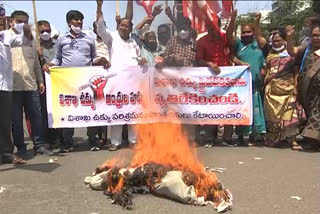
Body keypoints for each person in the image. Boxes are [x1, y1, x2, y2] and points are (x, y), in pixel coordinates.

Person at [43, 10, 109, 152]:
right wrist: (50, 64)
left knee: (90, 109)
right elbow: (57, 58)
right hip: (67, 81)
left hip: (86, 81)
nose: (79, 22)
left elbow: (93, 58)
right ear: (69, 22)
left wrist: (101, 60)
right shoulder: (62, 39)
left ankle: (92, 140)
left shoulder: (89, 39)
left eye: (80, 20)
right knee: (68, 110)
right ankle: (68, 142)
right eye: (75, 20)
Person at [96, 0, 147, 151]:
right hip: (116, 83)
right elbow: (100, 27)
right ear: (118, 26)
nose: (123, 27)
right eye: (121, 25)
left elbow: (137, 58)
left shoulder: (134, 42)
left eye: (127, 26)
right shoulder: (111, 37)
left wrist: (142, 60)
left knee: (133, 112)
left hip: (133, 83)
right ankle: (115, 142)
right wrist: (99, 6)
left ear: (131, 28)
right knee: (116, 111)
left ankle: (133, 140)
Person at [9, 10, 53, 156]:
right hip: (13, 86)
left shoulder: (31, 40)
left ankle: (39, 145)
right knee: (16, 119)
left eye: (25, 22)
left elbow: (35, 64)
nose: (23, 25)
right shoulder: (5, 38)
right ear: (11, 22)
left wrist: (40, 81)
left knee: (36, 116)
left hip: (31, 84)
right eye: (19, 21)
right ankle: (20, 148)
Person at [195, 11, 237, 147]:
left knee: (229, 106)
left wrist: (233, 19)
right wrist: (209, 64)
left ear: (219, 25)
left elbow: (231, 40)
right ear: (207, 27)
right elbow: (198, 59)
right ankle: (209, 138)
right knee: (211, 107)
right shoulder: (202, 41)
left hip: (228, 79)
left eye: (216, 26)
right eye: (210, 26)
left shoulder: (225, 37)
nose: (213, 29)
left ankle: (227, 137)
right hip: (210, 79)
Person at [263, 29, 306, 150]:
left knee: (291, 114)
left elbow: (295, 70)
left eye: (279, 41)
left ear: (284, 41)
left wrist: (290, 37)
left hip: (288, 88)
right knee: (273, 117)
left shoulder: (292, 52)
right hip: (272, 90)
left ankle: (293, 141)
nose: (276, 43)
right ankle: (274, 138)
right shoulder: (269, 53)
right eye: (274, 41)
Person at [231, 13, 267, 146]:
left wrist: (257, 22)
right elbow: (232, 57)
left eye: (248, 32)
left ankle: (254, 135)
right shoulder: (239, 45)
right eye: (244, 32)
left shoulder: (258, 44)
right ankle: (240, 136)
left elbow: (261, 38)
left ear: (253, 33)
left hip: (256, 86)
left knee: (256, 111)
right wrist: (240, 63)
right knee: (242, 111)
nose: (246, 34)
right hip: (242, 87)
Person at [0, 21, 33, 165]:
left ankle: (6, 153)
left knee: (4, 121)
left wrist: (26, 28)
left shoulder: (6, 36)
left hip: (4, 85)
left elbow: (26, 40)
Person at [286, 23, 320, 150]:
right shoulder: (307, 48)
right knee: (310, 113)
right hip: (307, 89)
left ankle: (314, 139)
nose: (316, 38)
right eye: (314, 35)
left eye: (318, 35)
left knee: (317, 113)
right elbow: (292, 51)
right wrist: (289, 38)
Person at [37, 20, 62, 148]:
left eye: (47, 30)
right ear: (38, 32)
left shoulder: (57, 44)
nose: (45, 33)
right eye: (42, 31)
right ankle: (48, 138)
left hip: (59, 81)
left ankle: (61, 138)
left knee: (60, 108)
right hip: (43, 83)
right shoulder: (36, 46)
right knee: (46, 110)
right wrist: (39, 57)